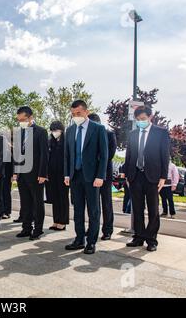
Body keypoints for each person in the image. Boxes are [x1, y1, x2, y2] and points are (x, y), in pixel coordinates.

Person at [64, 100, 108, 255]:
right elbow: (67, 155)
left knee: (93, 210)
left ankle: (91, 242)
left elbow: (104, 155)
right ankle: (79, 239)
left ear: (86, 112)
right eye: (73, 114)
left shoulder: (98, 129)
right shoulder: (69, 131)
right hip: (75, 176)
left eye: (78, 113)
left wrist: (100, 176)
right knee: (77, 210)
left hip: (92, 177)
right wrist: (67, 174)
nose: (75, 116)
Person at [124, 106, 170, 252]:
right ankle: (138, 237)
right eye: (137, 120)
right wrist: (127, 174)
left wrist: (163, 176)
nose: (140, 122)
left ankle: (151, 240)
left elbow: (165, 155)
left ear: (150, 117)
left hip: (153, 177)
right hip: (135, 176)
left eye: (143, 119)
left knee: (153, 210)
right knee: (137, 209)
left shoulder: (161, 133)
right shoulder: (132, 134)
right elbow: (129, 155)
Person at [14, 106, 49, 241]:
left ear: (30, 117)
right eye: (19, 120)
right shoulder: (19, 133)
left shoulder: (41, 131)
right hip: (22, 174)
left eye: (23, 119)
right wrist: (15, 172)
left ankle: (38, 229)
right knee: (25, 202)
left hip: (36, 175)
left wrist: (42, 174)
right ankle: (26, 228)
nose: (20, 122)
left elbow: (44, 155)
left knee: (37, 202)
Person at [88, 113, 117, 241]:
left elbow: (109, 154)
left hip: (105, 174)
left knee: (106, 203)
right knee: (92, 204)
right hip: (90, 175)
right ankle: (92, 228)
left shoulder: (109, 134)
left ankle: (107, 230)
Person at [45, 121, 69, 231]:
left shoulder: (66, 141)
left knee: (62, 197)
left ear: (61, 130)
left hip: (63, 174)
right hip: (52, 174)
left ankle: (63, 222)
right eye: (52, 130)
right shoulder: (50, 142)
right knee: (55, 198)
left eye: (56, 130)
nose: (54, 132)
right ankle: (56, 220)